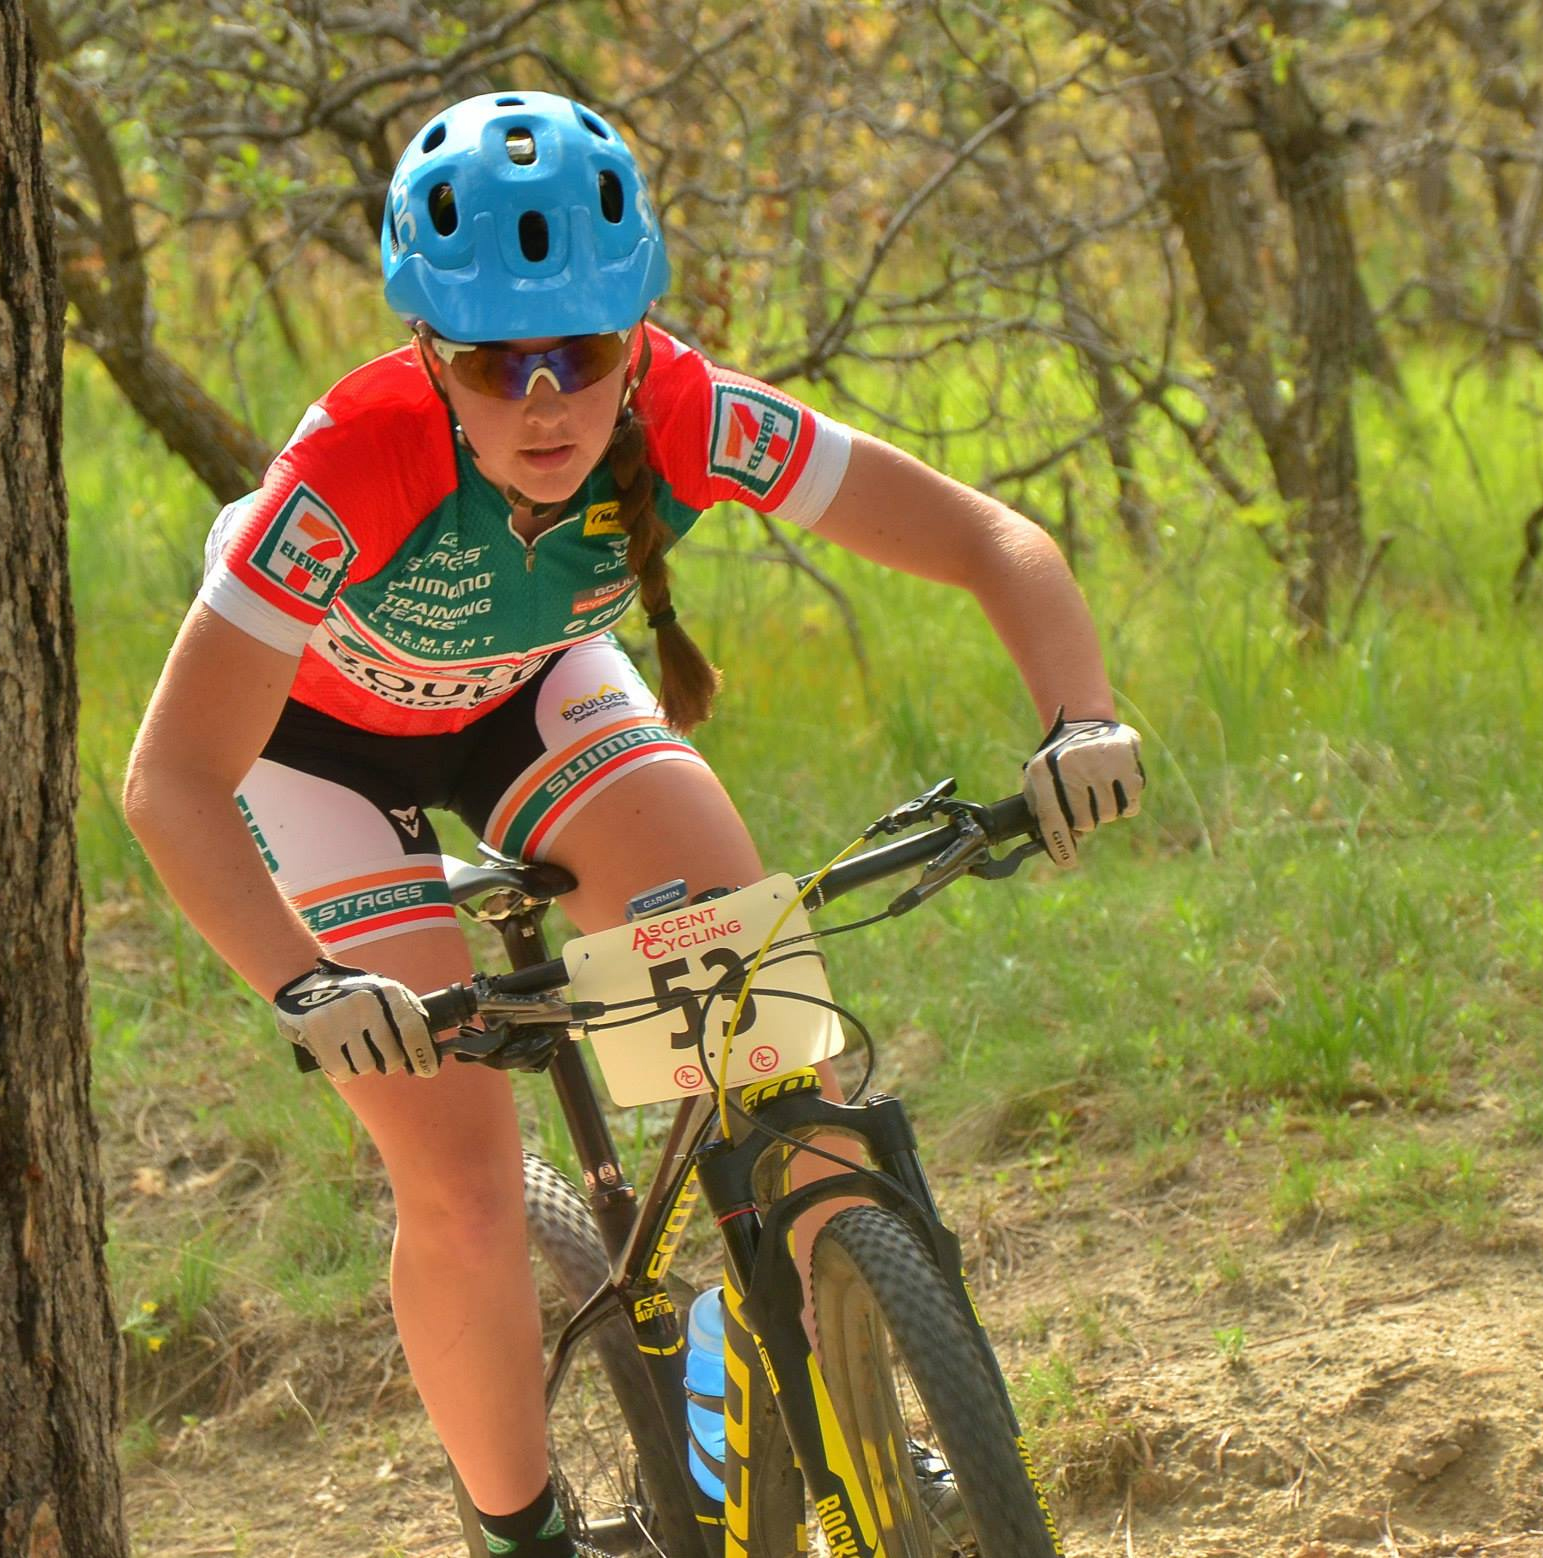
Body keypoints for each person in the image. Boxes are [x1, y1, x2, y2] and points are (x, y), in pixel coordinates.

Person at [123, 89, 1143, 1558]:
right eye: (496, 363)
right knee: (464, 1181)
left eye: (585, 353)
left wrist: (1080, 717)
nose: (545, 402)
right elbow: (170, 781)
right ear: (429, 353)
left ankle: (851, 1420)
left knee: (773, 1060)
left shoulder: (688, 412)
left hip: (528, 694)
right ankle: (525, 1535)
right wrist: (307, 983)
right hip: (313, 751)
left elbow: (987, 537)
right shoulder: (350, 466)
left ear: (636, 333)